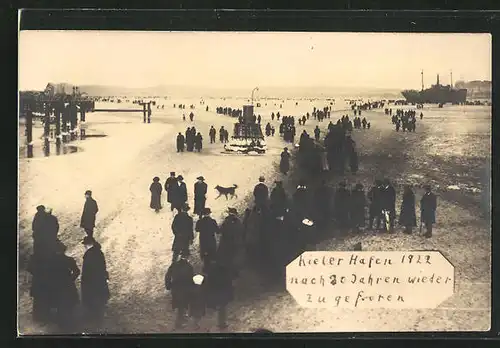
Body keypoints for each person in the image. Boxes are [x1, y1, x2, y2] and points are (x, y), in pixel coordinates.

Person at [51, 241, 80, 331]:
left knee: (60, 307)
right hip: (68, 286)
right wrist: (70, 279)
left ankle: (62, 326)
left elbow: (47, 274)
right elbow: (77, 271)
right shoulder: (69, 260)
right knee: (69, 306)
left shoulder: (52, 261)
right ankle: (70, 325)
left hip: (57, 287)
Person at [81, 236, 110, 326]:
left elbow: (86, 270)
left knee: (92, 299)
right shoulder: (99, 252)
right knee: (100, 298)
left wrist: (84, 281)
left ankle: (94, 318)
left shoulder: (88, 255)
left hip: (91, 281)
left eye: (85, 245)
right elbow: (103, 266)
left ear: (88, 245)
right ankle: (100, 316)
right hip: (100, 279)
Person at [165, 252, 195, 329]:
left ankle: (180, 321)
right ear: (187, 257)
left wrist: (168, 285)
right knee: (182, 306)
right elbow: (191, 279)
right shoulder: (189, 267)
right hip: (184, 289)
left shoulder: (174, 265)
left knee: (178, 305)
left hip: (175, 288)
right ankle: (178, 324)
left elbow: (168, 275)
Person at [204, 260, 233, 330]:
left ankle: (219, 322)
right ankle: (221, 322)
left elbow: (209, 281)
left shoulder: (212, 271)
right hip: (222, 291)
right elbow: (228, 281)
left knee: (220, 306)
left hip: (216, 291)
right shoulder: (224, 270)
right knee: (222, 307)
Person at [216, 208, 244, 277]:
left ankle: (226, 273)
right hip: (236, 243)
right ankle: (234, 273)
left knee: (226, 258)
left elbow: (220, 230)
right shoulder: (239, 222)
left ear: (229, 213)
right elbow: (242, 231)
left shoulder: (226, 221)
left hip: (226, 243)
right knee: (234, 257)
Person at [195, 208, 219, 272]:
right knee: (212, 255)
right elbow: (217, 231)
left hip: (203, 241)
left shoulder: (200, 221)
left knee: (206, 256)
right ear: (209, 213)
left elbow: (197, 229)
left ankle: (206, 268)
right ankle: (212, 269)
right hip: (211, 241)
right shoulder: (213, 221)